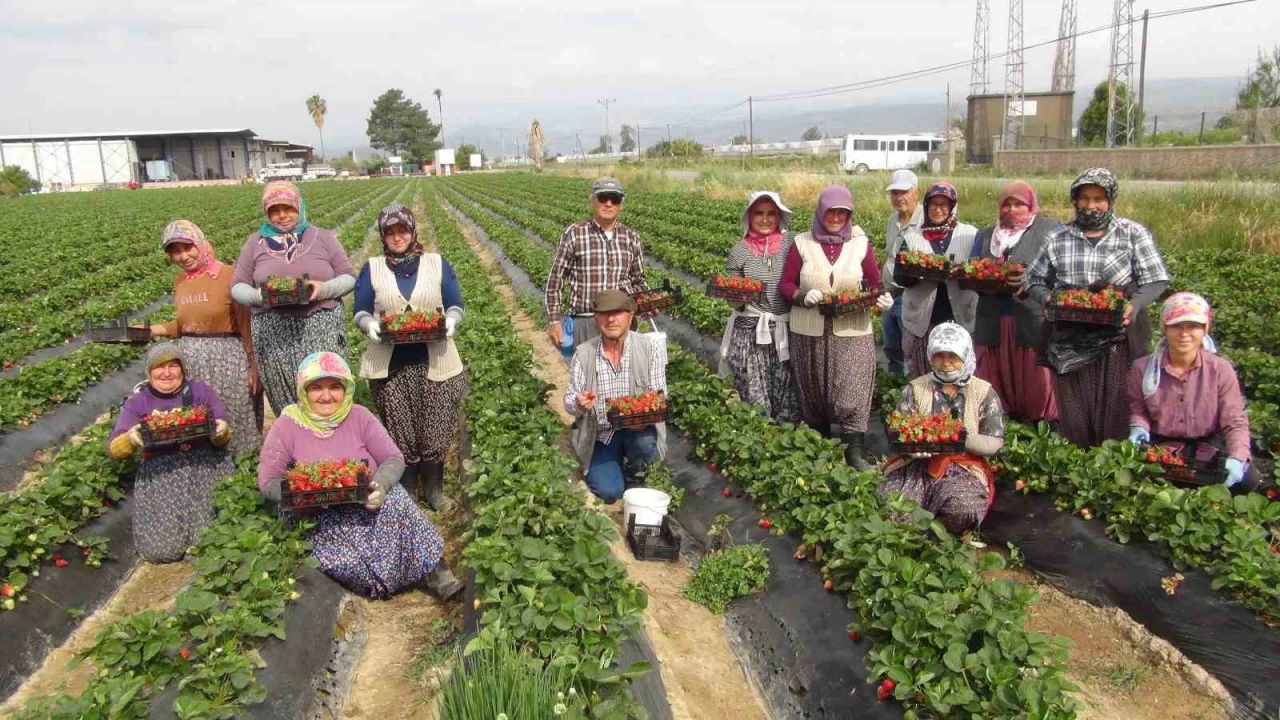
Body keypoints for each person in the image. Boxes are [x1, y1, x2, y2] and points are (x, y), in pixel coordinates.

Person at [257, 352, 463, 600]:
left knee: (398, 499)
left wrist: (381, 486)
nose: (326, 396)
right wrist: (302, 494)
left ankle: (437, 572)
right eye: (316, 388)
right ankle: (371, 585)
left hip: (365, 502)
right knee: (336, 559)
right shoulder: (288, 425)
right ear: (303, 390)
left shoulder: (359, 416)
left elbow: (393, 458)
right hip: (318, 516)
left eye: (335, 387)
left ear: (346, 388)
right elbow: (268, 481)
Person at [1024, 167, 1169, 448]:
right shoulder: (1058, 237)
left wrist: (1133, 305)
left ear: (1110, 200)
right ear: (1075, 201)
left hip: (1116, 332)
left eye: (1098, 198)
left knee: (1115, 397)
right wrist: (1047, 299)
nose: (1091, 205)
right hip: (1069, 333)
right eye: (1084, 198)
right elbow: (1034, 280)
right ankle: (1078, 456)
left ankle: (1110, 461)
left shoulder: (1132, 233)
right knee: (1074, 398)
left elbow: (1155, 279)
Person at [353, 204, 468, 510]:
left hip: (437, 362)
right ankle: (405, 492)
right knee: (400, 432)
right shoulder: (372, 268)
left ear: (413, 230)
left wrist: (452, 320)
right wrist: (370, 325)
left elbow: (455, 303)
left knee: (435, 429)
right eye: (390, 232)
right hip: (390, 366)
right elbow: (360, 310)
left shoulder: (436, 264)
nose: (397, 237)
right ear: (382, 235)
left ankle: (433, 490)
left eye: (402, 230)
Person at [778, 185, 893, 469]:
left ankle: (854, 451)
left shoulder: (860, 244)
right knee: (813, 388)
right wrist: (802, 296)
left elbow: (874, 283)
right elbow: (786, 284)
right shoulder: (802, 243)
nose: (837, 217)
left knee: (852, 388)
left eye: (843, 212)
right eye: (831, 211)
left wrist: (881, 298)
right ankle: (820, 446)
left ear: (849, 214)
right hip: (809, 332)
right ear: (821, 212)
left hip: (852, 330)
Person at [231, 180, 356, 415]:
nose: (282, 216)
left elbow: (349, 277)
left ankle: (333, 446)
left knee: (324, 395)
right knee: (287, 401)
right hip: (273, 335)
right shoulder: (254, 243)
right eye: (274, 211)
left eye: (288, 208)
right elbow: (238, 286)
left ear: (299, 207)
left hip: (320, 328)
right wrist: (261, 296)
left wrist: (322, 289)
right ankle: (296, 446)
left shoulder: (323, 237)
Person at [108, 343, 233, 563]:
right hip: (161, 474)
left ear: (182, 369)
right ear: (149, 371)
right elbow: (115, 450)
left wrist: (220, 431)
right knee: (162, 552)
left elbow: (222, 432)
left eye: (173, 366)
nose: (167, 373)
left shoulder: (199, 392)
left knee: (209, 540)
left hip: (203, 467)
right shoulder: (138, 402)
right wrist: (130, 439)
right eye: (160, 367)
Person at [149, 219, 263, 456]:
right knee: (199, 417)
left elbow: (247, 323)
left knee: (235, 415)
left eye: (187, 248)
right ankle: (209, 476)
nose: (183, 257)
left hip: (228, 360)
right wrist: (154, 329)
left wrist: (254, 365)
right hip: (192, 362)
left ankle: (242, 470)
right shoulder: (181, 282)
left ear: (200, 244)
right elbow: (185, 323)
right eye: (175, 252)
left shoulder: (229, 276)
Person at [878, 323, 1004, 534]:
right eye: (939, 355)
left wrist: (961, 439)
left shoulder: (983, 392)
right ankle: (913, 532)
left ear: (965, 355)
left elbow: (995, 442)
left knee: (962, 509)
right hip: (916, 464)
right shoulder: (915, 388)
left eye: (953, 356)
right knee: (892, 506)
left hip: (964, 466)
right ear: (930, 355)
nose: (946, 363)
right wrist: (912, 446)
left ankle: (941, 532)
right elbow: (898, 430)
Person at [1127, 293, 1260, 491]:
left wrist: (1237, 457)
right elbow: (1138, 409)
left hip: (1206, 446)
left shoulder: (1220, 369)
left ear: (1205, 329)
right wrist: (1139, 427)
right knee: (1130, 477)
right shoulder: (1143, 368)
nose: (1184, 333)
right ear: (1164, 328)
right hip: (1160, 446)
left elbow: (1235, 422)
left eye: (1193, 326)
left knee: (1248, 480)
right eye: (1176, 326)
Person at [564, 289, 668, 504]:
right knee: (609, 492)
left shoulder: (650, 348)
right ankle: (613, 465)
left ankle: (633, 476)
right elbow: (569, 401)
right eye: (604, 314)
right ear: (596, 318)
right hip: (602, 433)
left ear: (630, 316)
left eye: (617, 313)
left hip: (639, 429)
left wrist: (644, 415)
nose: (611, 319)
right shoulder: (583, 353)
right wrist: (579, 402)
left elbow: (660, 395)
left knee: (644, 444)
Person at [970, 181, 1060, 424]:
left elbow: (1060, 271)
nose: (1012, 210)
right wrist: (982, 278)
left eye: (1019, 204)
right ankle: (1000, 424)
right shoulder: (987, 235)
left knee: (1034, 376)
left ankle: (1039, 429)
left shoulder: (1049, 230)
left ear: (1031, 205)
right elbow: (972, 269)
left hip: (1031, 318)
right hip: (992, 318)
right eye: (1007, 204)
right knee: (994, 373)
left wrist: (1032, 282)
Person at [716, 191, 798, 423]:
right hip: (749, 334)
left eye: (771, 213)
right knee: (755, 403)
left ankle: (784, 452)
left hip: (786, 332)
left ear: (779, 216)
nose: (765, 219)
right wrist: (737, 294)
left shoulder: (792, 243)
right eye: (758, 213)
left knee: (788, 402)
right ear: (749, 217)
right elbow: (733, 301)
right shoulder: (739, 250)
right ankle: (758, 448)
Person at [887, 181, 980, 378]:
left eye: (943, 204)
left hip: (960, 317)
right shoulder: (913, 237)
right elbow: (899, 277)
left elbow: (979, 273)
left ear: (952, 207)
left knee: (959, 373)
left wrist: (961, 272)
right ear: (926, 206)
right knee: (923, 377)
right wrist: (918, 273)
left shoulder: (970, 234)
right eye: (933, 204)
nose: (938, 209)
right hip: (922, 320)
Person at [544, 177, 650, 349]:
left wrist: (648, 302)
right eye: (603, 198)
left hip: (623, 322)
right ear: (592, 201)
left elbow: (637, 281)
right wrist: (554, 321)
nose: (608, 204)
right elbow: (555, 279)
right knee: (589, 374)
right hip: (587, 321)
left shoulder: (631, 238)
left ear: (621, 205)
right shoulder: (575, 233)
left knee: (624, 374)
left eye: (614, 199)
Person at [882, 169, 923, 376]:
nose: (899, 198)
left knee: (909, 351)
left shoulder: (925, 221)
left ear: (916, 192)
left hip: (910, 296)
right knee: (891, 348)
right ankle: (894, 389)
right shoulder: (892, 220)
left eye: (904, 192)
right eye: (894, 193)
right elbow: (889, 254)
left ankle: (911, 396)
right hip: (889, 295)